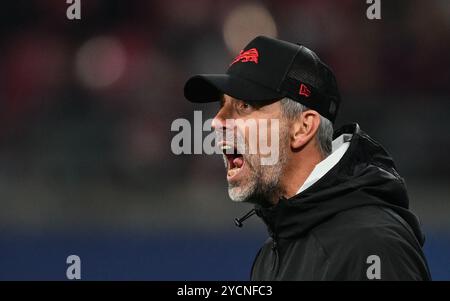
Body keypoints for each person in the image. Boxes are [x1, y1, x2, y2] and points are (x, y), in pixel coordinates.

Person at [184, 36, 431, 280]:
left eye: (244, 106)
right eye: (222, 105)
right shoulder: (272, 253)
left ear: (303, 128)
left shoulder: (371, 247)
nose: (217, 121)